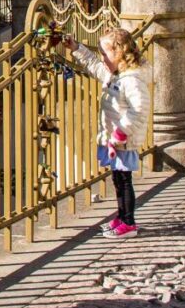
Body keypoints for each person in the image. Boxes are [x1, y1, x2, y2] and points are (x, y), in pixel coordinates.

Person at [63, 28, 151, 239]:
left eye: (105, 54)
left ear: (119, 54)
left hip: (123, 140)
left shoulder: (131, 80)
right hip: (115, 139)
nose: (102, 58)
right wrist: (76, 48)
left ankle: (128, 221)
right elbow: (94, 66)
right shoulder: (115, 75)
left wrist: (120, 132)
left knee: (124, 181)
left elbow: (139, 109)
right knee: (118, 180)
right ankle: (122, 217)